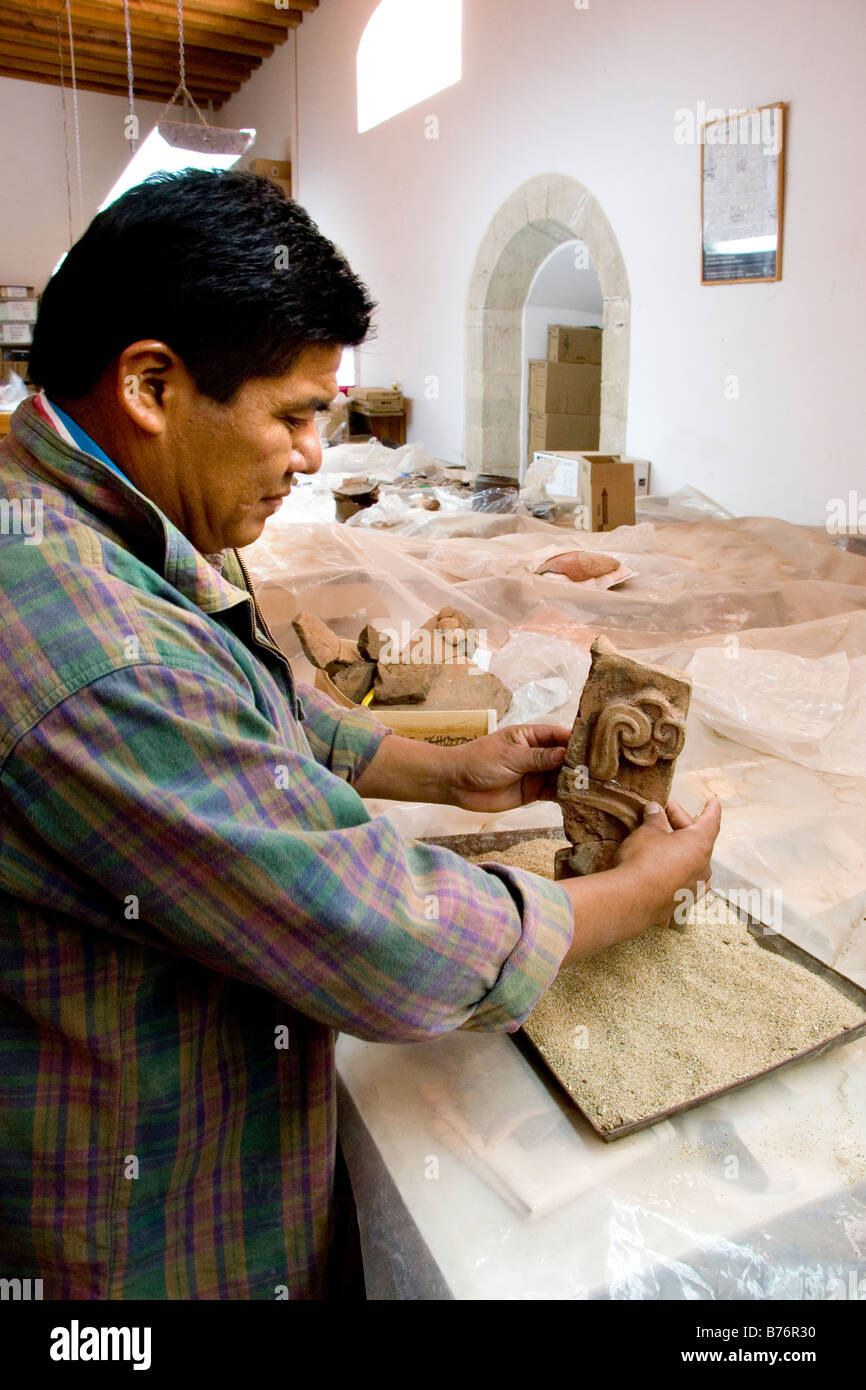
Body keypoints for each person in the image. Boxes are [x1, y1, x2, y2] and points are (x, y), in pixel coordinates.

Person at [0, 169, 720, 1300]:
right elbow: (381, 940)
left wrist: (448, 768)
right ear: (150, 383)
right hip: (144, 1237)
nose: (312, 458)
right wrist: (638, 893)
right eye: (291, 416)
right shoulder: (85, 644)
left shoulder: (121, 514)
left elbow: (251, 699)